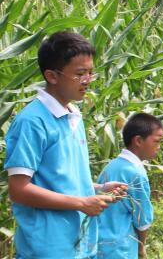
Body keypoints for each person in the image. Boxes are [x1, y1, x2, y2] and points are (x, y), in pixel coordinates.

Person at [4, 31, 127, 258]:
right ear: (52, 75)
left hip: (79, 243)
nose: (88, 80)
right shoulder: (32, 122)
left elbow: (59, 178)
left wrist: (97, 189)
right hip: (48, 248)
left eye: (91, 72)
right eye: (80, 73)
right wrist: (82, 202)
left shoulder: (73, 114)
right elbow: (19, 190)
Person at [97, 113, 163, 259]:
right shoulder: (136, 173)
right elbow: (143, 219)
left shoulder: (111, 166)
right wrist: (141, 248)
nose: (159, 147)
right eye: (157, 141)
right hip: (121, 248)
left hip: (98, 244)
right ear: (138, 141)